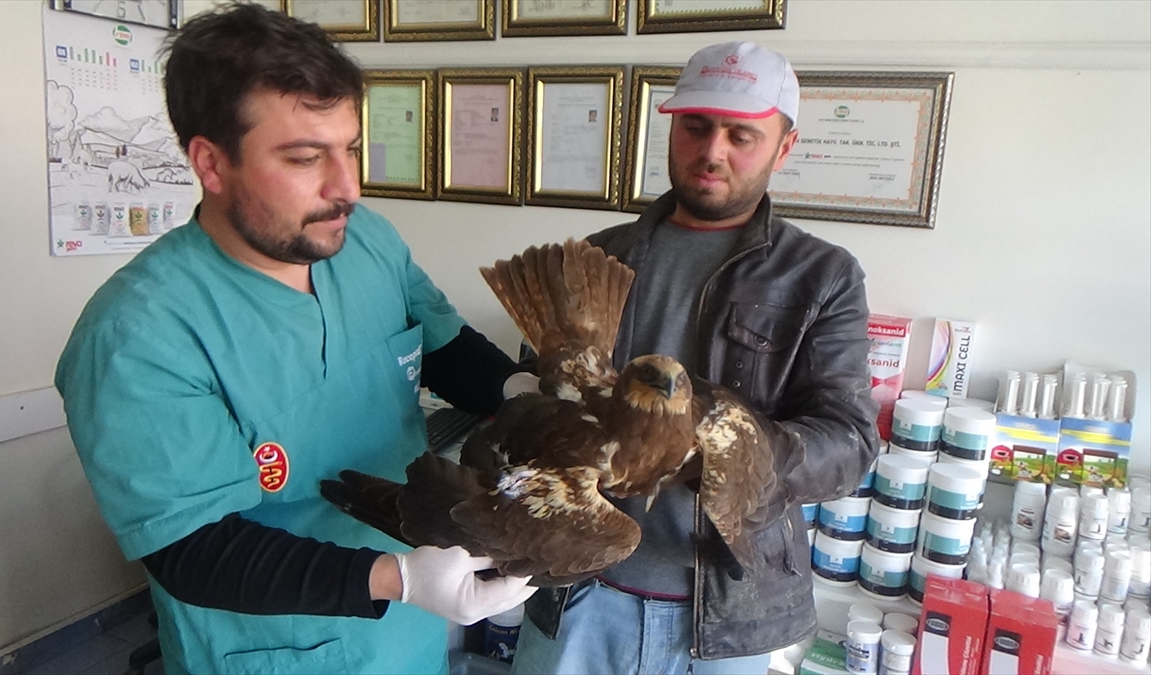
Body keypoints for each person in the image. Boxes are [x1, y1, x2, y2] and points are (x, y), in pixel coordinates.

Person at [55, 5, 536, 674]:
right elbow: (192, 549)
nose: (347, 188)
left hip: (406, 635)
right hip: (274, 643)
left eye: (351, 148)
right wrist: (399, 576)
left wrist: (526, 392)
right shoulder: (137, 333)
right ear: (212, 163)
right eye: (306, 158)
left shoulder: (366, 241)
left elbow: (443, 347)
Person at [511, 41, 880, 675]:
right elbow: (534, 409)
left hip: (727, 615)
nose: (713, 150)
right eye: (697, 127)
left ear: (783, 148)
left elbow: (848, 442)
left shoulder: (821, 278)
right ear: (673, 128)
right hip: (576, 587)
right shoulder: (595, 258)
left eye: (742, 135)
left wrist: (726, 453)